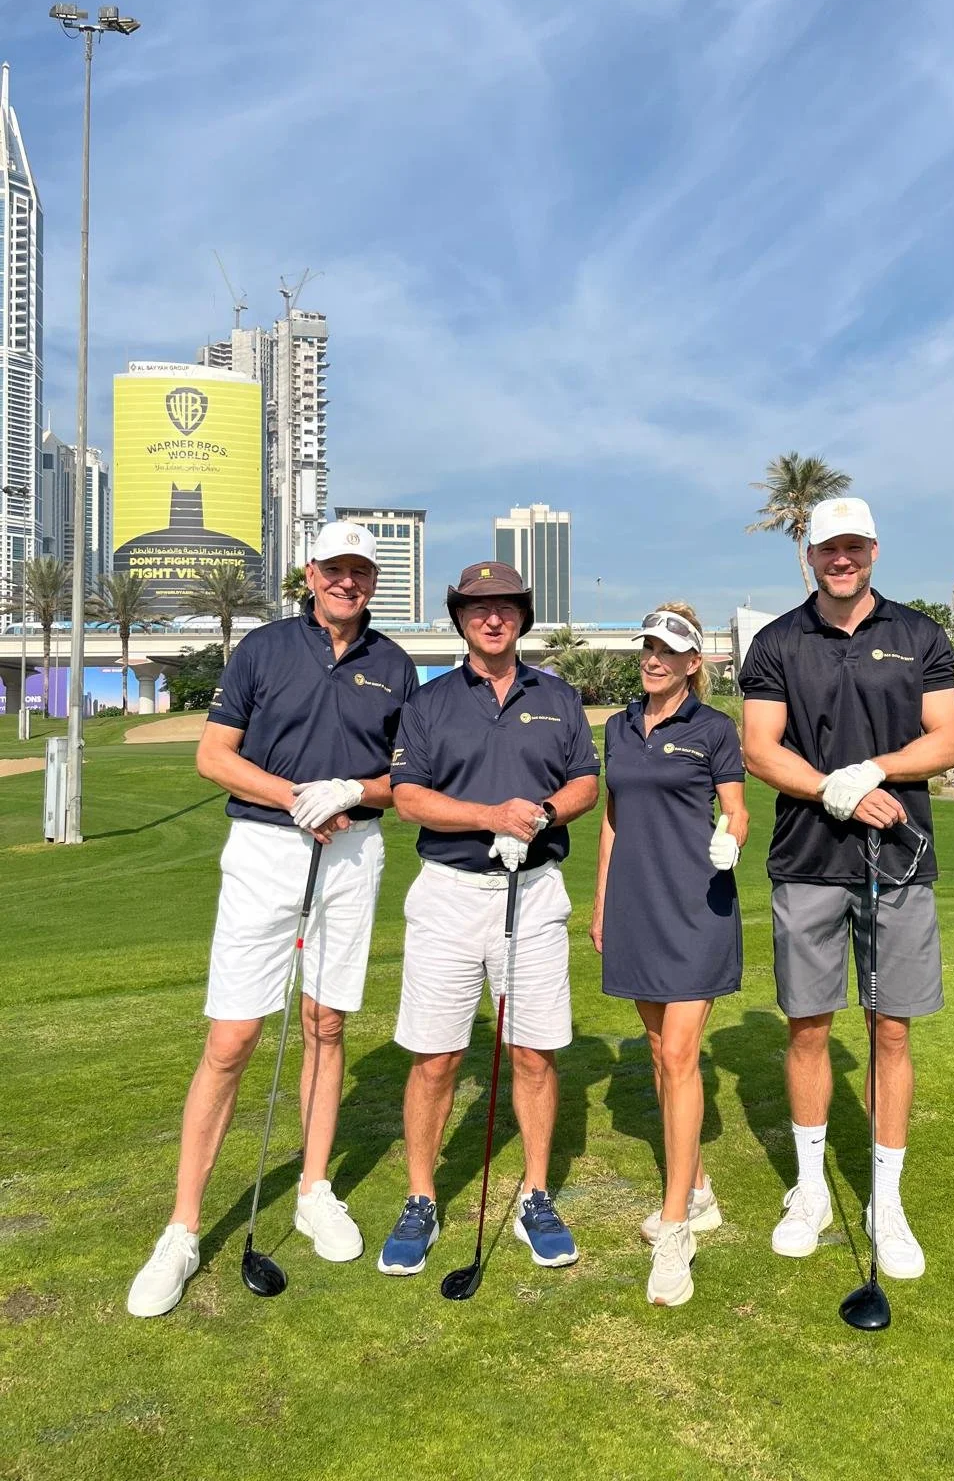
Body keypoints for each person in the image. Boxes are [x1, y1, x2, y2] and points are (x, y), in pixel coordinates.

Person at [127, 521, 416, 1317]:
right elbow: (213, 756)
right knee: (233, 1036)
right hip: (262, 848)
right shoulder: (262, 648)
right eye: (335, 569)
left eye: (361, 571)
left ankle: (314, 1189)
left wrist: (354, 792)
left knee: (325, 1024)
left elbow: (410, 780)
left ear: (372, 581)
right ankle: (182, 1229)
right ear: (310, 573)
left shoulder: (393, 666)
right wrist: (293, 795)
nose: (347, 582)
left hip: (353, 854)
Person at [739, 498, 954, 1280]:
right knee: (808, 1027)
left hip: (899, 858)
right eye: (828, 548)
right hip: (807, 859)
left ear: (873, 549)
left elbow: (948, 737)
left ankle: (886, 1200)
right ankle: (809, 1191)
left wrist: (879, 770)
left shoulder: (918, 635)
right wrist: (836, 791)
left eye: (854, 547)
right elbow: (760, 750)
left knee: (891, 1032)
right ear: (810, 555)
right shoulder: (776, 641)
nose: (842, 560)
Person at [380, 562, 600, 1277]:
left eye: (505, 607)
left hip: (533, 891)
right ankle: (420, 1197)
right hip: (449, 893)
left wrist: (540, 815)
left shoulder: (558, 697)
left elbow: (585, 784)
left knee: (535, 1052)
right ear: (461, 619)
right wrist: (490, 816)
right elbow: (409, 797)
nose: (492, 618)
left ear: (521, 617)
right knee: (437, 1055)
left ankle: (536, 1192)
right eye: (478, 608)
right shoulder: (431, 701)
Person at [591, 603, 748, 1308]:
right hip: (635, 906)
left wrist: (732, 838)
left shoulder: (714, 729)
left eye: (668, 650)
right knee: (659, 1056)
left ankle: (676, 1225)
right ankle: (703, 1189)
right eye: (647, 647)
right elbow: (614, 819)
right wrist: (600, 905)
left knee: (680, 1054)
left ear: (694, 664)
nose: (653, 658)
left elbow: (737, 809)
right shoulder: (619, 727)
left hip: (695, 909)